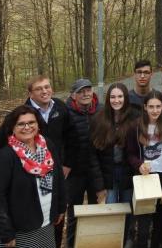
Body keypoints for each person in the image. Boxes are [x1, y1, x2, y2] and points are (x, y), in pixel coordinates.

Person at [0, 75, 72, 248]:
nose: (27, 127)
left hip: (46, 222)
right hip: (20, 229)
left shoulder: (47, 145)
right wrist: (5, 233)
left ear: (38, 125)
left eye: (31, 122)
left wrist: (61, 207)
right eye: (21, 124)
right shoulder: (5, 156)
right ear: (12, 128)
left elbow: (58, 179)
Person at [125, 94, 162, 248]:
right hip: (145, 179)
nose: (155, 110)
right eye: (151, 107)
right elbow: (130, 154)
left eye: (158, 106)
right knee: (143, 223)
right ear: (145, 107)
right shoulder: (135, 127)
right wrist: (139, 164)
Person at [64, 78, 106, 248]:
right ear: (73, 95)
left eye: (88, 90)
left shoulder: (101, 110)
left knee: (96, 211)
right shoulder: (66, 112)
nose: (85, 94)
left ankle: (93, 243)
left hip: (96, 171)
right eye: (80, 92)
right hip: (74, 173)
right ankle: (71, 243)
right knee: (74, 212)